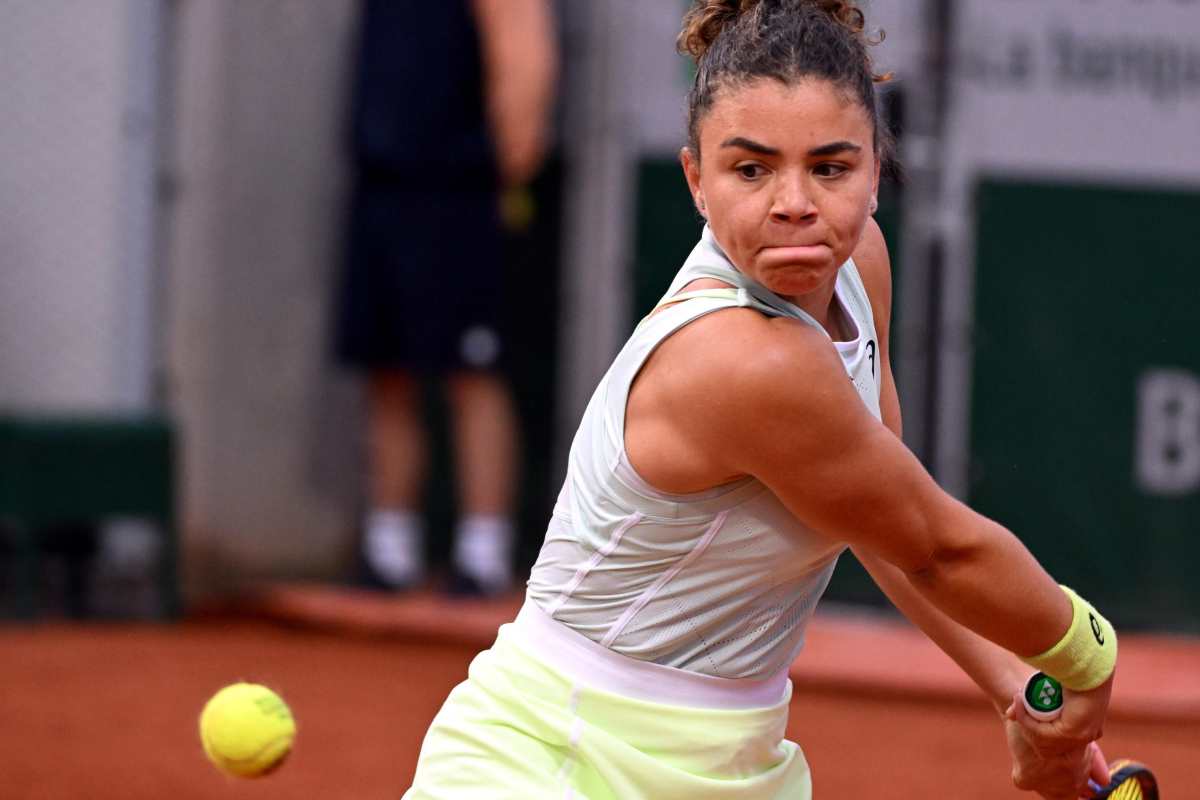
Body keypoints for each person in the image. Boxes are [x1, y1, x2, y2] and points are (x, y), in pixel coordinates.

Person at [404, 1, 1118, 797]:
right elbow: (936, 545)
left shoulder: (858, 265)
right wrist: (1087, 657)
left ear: (876, 170)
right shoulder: (746, 359)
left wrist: (1015, 686)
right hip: (552, 756)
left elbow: (879, 519)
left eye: (831, 167)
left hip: (729, 760)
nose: (794, 203)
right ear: (695, 181)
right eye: (751, 169)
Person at [336, 0, 557, 595]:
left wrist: (504, 172)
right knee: (387, 370)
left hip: (461, 192)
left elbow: (526, 59)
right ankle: (389, 551)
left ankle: (482, 554)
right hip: (382, 187)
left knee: (474, 370)